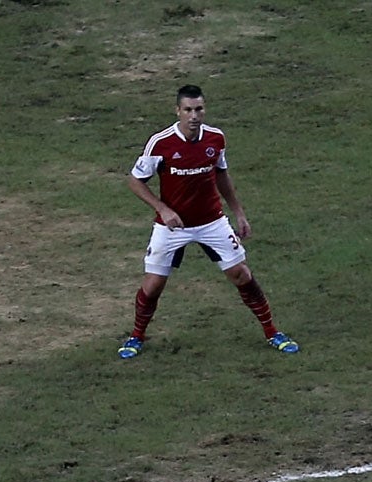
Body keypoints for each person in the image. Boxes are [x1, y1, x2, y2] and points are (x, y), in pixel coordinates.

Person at [117, 84, 298, 359]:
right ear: (177, 111)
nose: (194, 115)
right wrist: (162, 209)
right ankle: (136, 336)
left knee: (241, 275)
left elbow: (221, 175)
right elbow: (134, 181)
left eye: (198, 109)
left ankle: (273, 332)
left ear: (205, 109)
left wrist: (238, 212)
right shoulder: (161, 143)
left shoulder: (215, 138)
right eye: (188, 110)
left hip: (211, 222)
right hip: (172, 226)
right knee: (153, 285)